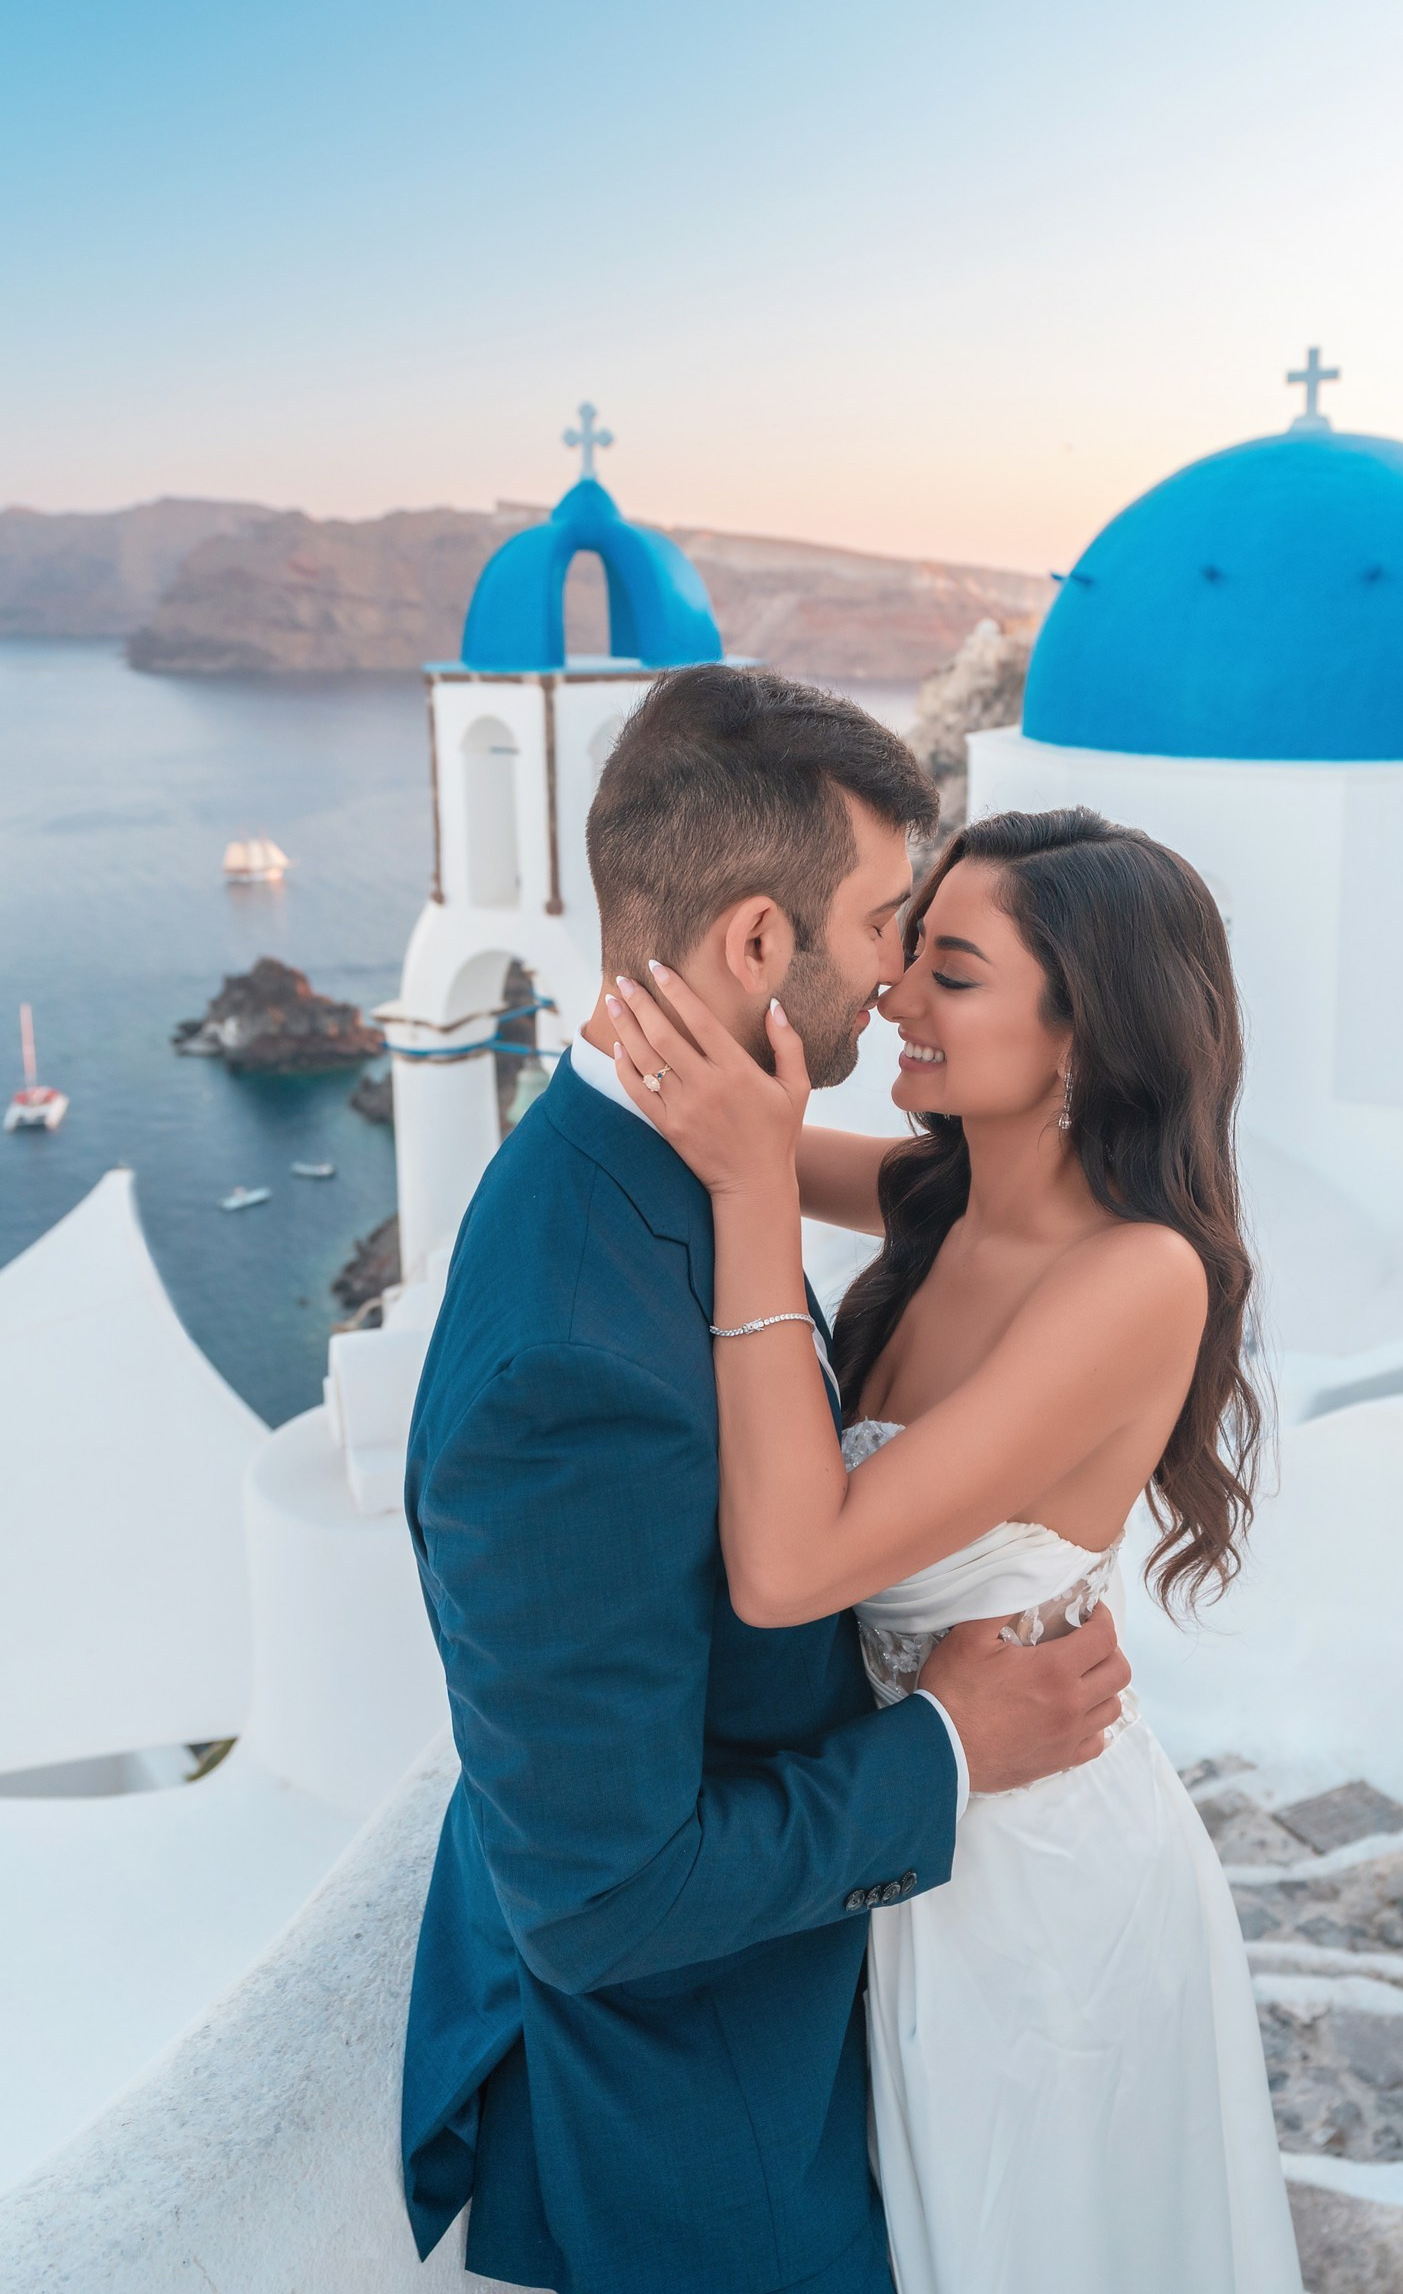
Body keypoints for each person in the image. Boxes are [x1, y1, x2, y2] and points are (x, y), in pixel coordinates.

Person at [401, 670, 1130, 2294]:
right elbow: (599, 1903)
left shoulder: (670, 1159)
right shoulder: (571, 1358)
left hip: (834, 2012)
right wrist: (948, 1745)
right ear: (753, 945)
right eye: (886, 927)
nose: (893, 981)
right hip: (704, 2124)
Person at [603, 803, 1304, 2294]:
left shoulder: (1136, 1277)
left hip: (1040, 1881)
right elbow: (740, 1123)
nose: (897, 995)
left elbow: (795, 1569)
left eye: (954, 972)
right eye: (906, 949)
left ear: (1085, 1033)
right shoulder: (942, 1196)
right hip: (918, 1822)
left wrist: (746, 1189)